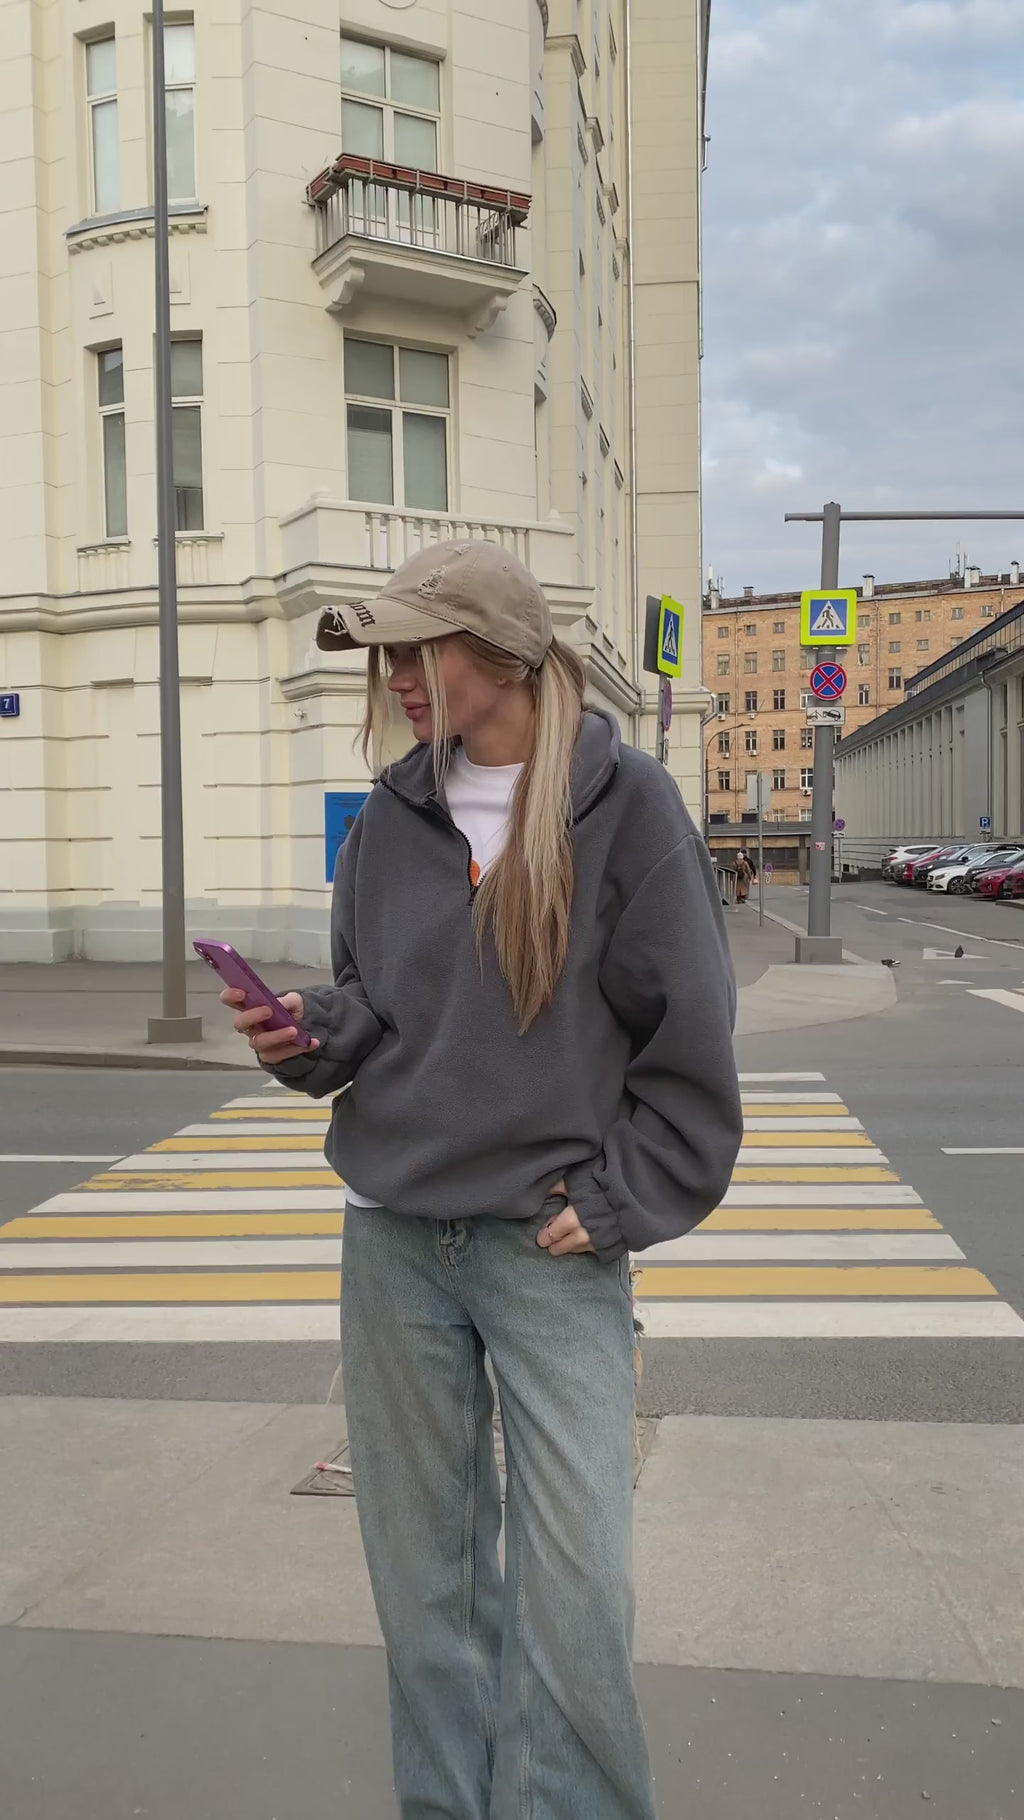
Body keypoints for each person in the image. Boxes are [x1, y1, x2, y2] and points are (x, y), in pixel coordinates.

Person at [221, 540, 742, 1820]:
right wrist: (311, 1029)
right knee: (429, 1598)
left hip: (547, 1246)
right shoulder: (392, 814)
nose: (396, 675)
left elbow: (690, 1045)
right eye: (383, 653)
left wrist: (616, 1202)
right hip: (394, 1242)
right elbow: (382, 1014)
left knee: (576, 1601)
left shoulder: (629, 810)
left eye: (416, 646)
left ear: (502, 654)